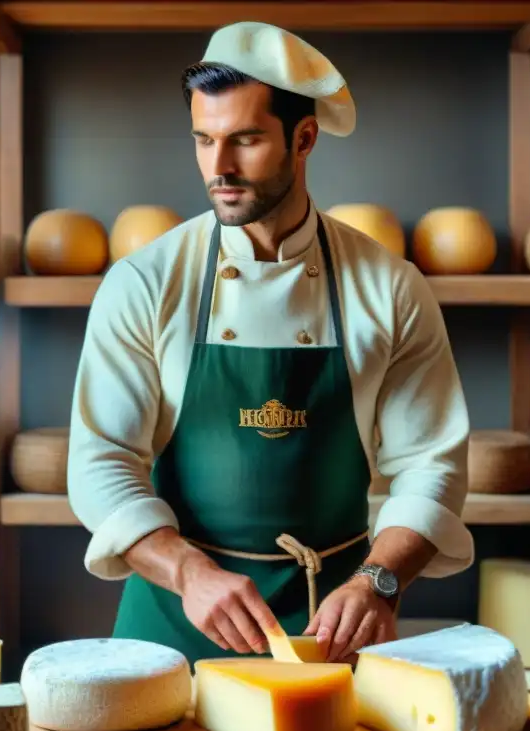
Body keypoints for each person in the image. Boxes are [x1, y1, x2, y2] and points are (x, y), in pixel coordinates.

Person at [67, 21, 474, 666]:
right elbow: (101, 462)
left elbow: (431, 466)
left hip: (337, 626)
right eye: (203, 140)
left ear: (304, 137)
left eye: (245, 140)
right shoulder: (145, 283)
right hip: (175, 622)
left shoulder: (390, 289)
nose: (218, 168)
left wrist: (381, 581)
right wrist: (187, 572)